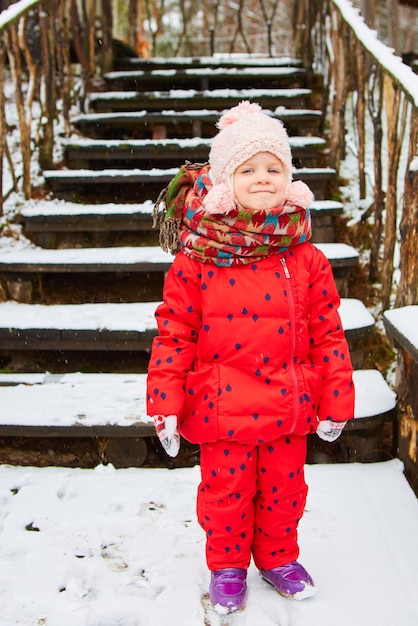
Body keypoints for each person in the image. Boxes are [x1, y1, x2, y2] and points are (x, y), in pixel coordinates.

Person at [147, 101, 355, 614]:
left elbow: (328, 330)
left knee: (285, 490)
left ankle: (279, 557)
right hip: (223, 407)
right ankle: (227, 565)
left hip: (288, 403)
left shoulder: (304, 256)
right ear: (224, 181)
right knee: (227, 492)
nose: (263, 178)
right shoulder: (196, 260)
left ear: (289, 179)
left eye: (274, 168)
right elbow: (174, 334)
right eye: (248, 169)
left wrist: (337, 397)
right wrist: (164, 402)